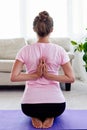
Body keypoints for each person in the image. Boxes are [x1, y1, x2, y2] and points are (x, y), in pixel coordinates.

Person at [10, 11, 75, 129]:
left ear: (34, 29)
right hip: (56, 106)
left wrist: (35, 75)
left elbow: (14, 77)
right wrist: (49, 76)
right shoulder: (60, 50)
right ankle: (51, 116)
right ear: (52, 30)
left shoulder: (25, 50)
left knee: (33, 110)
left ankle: (34, 116)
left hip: (29, 107)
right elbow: (71, 78)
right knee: (53, 109)